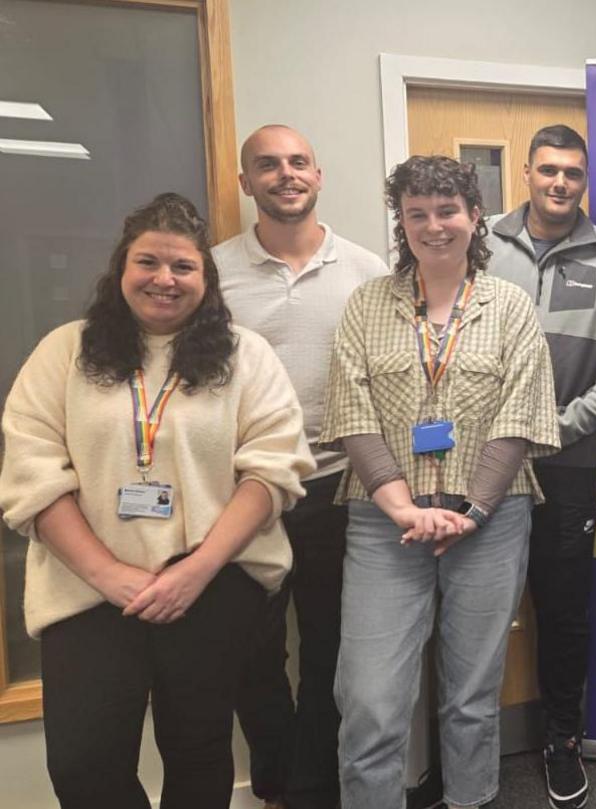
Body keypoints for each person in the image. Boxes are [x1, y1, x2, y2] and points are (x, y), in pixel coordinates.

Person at [0, 193, 315, 808]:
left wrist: (196, 571)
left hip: (212, 580)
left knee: (197, 750)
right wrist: (110, 575)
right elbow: (30, 473)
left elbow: (274, 469)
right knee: (82, 763)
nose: (164, 280)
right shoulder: (65, 352)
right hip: (86, 588)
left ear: (206, 278)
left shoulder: (245, 356)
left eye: (182, 267)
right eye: (148, 263)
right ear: (121, 269)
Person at [320, 155, 559, 809]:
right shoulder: (366, 306)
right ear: (401, 220)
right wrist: (403, 507)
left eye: (447, 210)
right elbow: (352, 412)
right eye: (417, 212)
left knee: (473, 694)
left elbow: (520, 414)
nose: (434, 225)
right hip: (383, 522)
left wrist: (471, 510)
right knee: (369, 698)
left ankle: (470, 799)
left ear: (474, 216)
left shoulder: (510, 307)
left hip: (492, 518)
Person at [217, 123, 388, 809]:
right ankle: (276, 783)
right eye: (268, 164)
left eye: (297, 163)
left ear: (318, 176)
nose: (284, 174)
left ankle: (314, 790)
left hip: (339, 488)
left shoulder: (367, 270)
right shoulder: (213, 272)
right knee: (251, 655)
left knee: (332, 652)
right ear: (245, 182)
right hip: (245, 491)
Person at [484, 124, 596, 809]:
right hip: (477, 465)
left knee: (562, 609)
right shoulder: (478, 242)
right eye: (548, 170)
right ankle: (462, 747)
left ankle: (561, 739)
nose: (559, 183)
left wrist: (553, 428)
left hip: (569, 463)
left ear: (584, 181)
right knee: (475, 606)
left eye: (572, 174)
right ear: (526, 172)